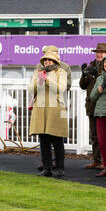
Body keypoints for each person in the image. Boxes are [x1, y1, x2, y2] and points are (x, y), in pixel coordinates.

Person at [29, 47, 68, 178]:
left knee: (57, 139)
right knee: (44, 140)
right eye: (45, 60)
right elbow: (30, 89)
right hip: (40, 108)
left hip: (55, 108)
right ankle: (47, 168)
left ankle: (60, 168)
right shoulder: (37, 72)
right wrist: (38, 81)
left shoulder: (61, 72)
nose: (47, 62)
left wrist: (47, 80)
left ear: (54, 61)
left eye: (50, 60)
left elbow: (61, 88)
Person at [79, 43, 106, 170]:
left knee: (105, 135)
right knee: (95, 135)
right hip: (92, 105)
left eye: (102, 52)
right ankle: (96, 160)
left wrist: (96, 74)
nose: (99, 54)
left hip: (104, 105)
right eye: (97, 52)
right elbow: (82, 85)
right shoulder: (91, 65)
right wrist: (84, 74)